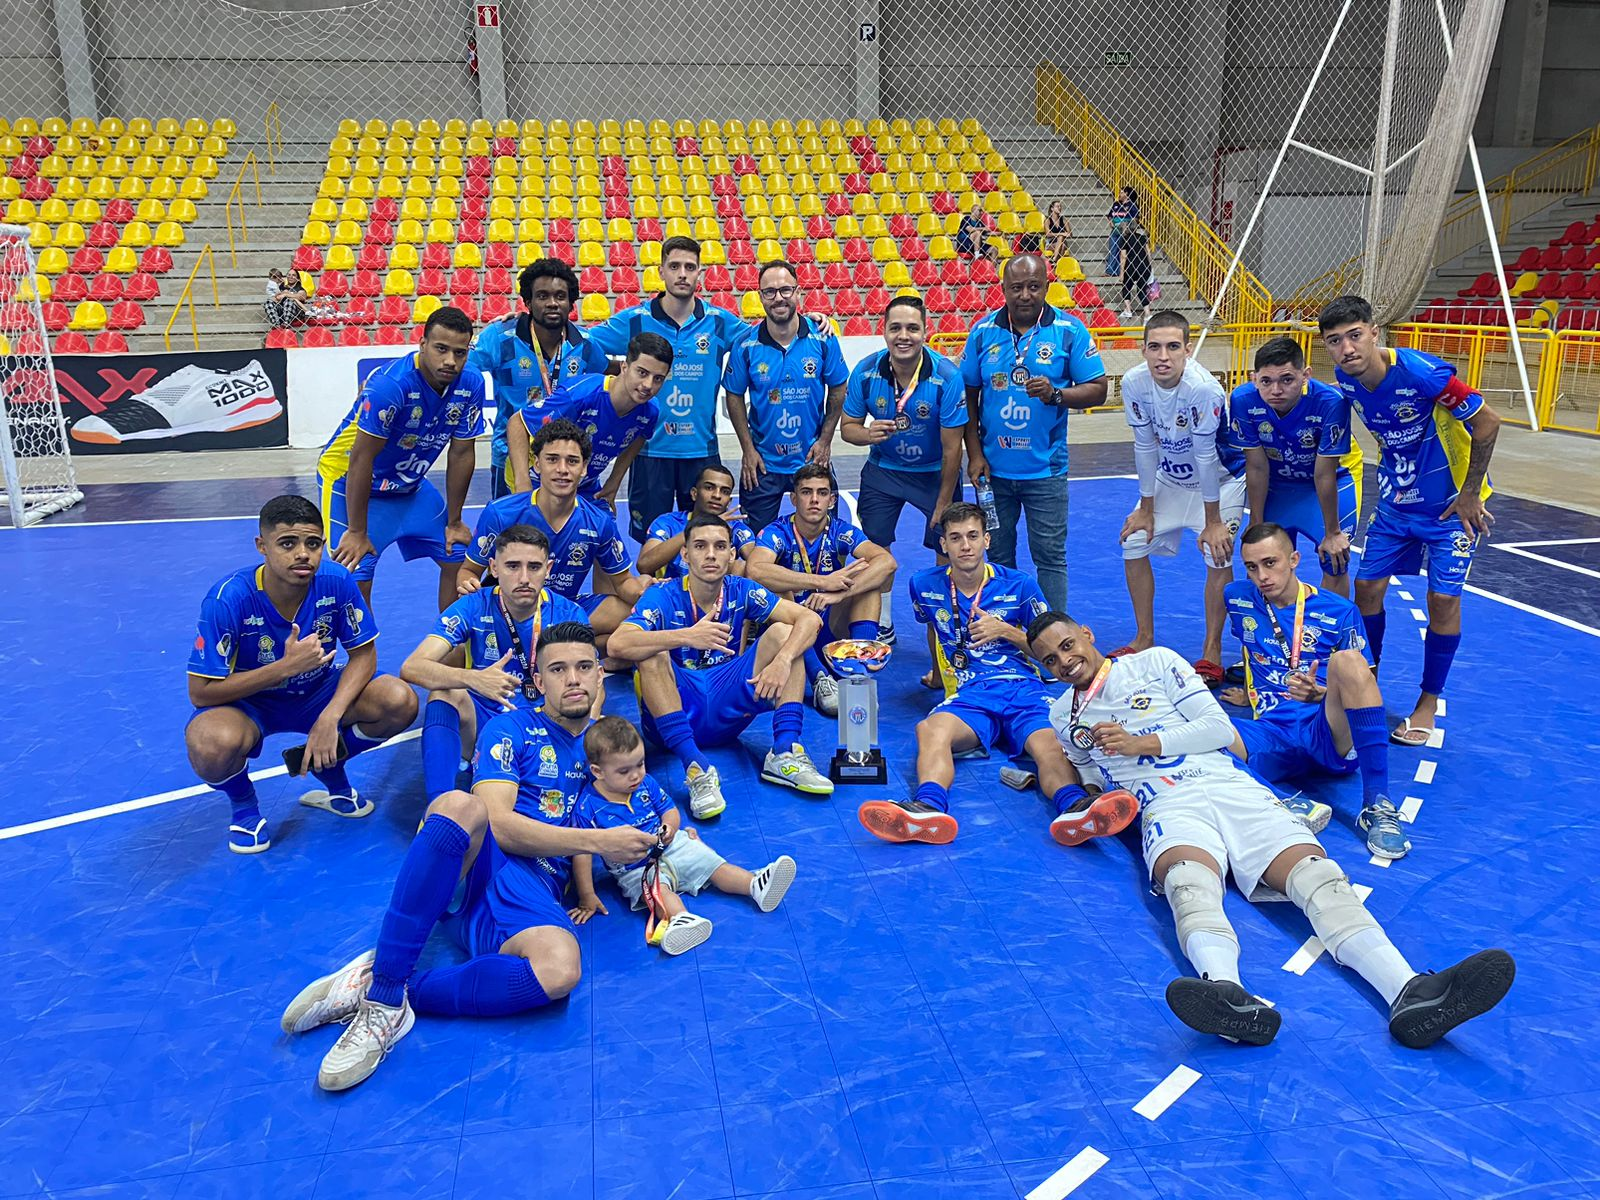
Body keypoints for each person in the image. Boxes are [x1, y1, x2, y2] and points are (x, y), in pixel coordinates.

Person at [1027, 611, 1514, 1049]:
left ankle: (1409, 993)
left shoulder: (1152, 662)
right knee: (1188, 887)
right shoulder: (1062, 716)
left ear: (1087, 635)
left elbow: (1219, 729)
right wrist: (1092, 797)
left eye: (1067, 646)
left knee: (1318, 878)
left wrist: (1141, 741)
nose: (1064, 661)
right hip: (1167, 804)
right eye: (1051, 660)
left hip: (1228, 783)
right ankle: (1227, 996)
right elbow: (1092, 775)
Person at [280, 622, 661, 1092]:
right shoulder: (511, 728)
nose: (574, 679)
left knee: (561, 970)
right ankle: (381, 1003)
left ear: (601, 676)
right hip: (487, 866)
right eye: (558, 670)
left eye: (585, 667)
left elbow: (648, 810)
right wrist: (599, 843)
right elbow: (499, 824)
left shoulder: (609, 746)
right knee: (457, 806)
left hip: (537, 891)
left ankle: (391, 984)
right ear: (538, 681)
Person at [857, 502, 1135, 848]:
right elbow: (933, 628)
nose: (966, 546)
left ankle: (1075, 807)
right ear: (943, 544)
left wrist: (1007, 631)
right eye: (955, 538)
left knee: (1048, 743)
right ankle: (927, 808)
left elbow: (1050, 654)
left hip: (1023, 689)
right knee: (930, 729)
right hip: (972, 693)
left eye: (973, 536)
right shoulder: (922, 585)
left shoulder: (1020, 585)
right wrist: (938, 674)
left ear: (986, 539)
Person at [185, 495, 417, 854]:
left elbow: (364, 654)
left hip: (318, 691)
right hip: (249, 703)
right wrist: (283, 668)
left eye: (313, 543)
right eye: (288, 543)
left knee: (398, 700)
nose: (303, 554)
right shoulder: (227, 599)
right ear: (262, 546)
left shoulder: (336, 580)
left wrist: (330, 717)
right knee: (209, 743)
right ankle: (244, 803)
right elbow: (200, 692)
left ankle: (330, 763)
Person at [1319, 294, 1500, 746]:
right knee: (1366, 589)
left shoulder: (1421, 372)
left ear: (1374, 332)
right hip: (1397, 505)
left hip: (1448, 509)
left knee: (1442, 602)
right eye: (1335, 341)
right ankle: (1367, 682)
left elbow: (1489, 422)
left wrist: (1470, 493)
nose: (1347, 348)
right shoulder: (1346, 379)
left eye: (1355, 335)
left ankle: (1426, 703)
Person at [607, 514, 835, 819]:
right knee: (651, 650)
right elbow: (616, 645)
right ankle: (695, 767)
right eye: (700, 546)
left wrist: (782, 660)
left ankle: (784, 751)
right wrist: (687, 636)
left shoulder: (742, 590)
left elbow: (810, 619)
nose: (711, 554)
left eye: (720, 546)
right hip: (677, 712)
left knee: (784, 634)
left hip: (728, 707)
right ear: (685, 555)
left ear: (731, 554)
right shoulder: (662, 595)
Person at [1224, 523, 1408, 858]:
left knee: (1349, 662)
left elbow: (1363, 686)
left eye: (1270, 563)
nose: (1261, 576)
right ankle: (1283, 802)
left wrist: (1319, 694)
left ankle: (1377, 805)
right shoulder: (1237, 598)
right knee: (1201, 731)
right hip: (1270, 731)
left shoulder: (1340, 611)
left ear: (1293, 559)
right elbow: (1252, 646)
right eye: (1252, 567)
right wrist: (1251, 690)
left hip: (1325, 729)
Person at [566, 717, 798, 955]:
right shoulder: (588, 808)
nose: (636, 775)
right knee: (657, 892)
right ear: (597, 771)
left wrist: (669, 827)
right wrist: (587, 895)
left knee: (712, 864)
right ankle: (681, 920)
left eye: (640, 764)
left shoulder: (646, 783)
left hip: (671, 846)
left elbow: (669, 811)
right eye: (624, 771)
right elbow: (582, 853)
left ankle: (754, 885)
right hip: (634, 868)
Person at [962, 253, 1108, 612]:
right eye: (1016, 288)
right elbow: (967, 395)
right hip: (993, 473)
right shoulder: (982, 333)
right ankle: (1003, 626)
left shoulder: (1069, 331)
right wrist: (976, 454)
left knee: (1050, 557)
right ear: (1004, 290)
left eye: (1033, 287)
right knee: (996, 555)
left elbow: (1098, 388)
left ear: (1046, 287)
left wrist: (1057, 394)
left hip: (1046, 472)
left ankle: (1052, 632)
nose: (1024, 295)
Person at [402, 524, 588, 804]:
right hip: (483, 716)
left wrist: (581, 736)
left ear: (548, 569)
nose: (524, 578)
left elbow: (590, 683)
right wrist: (472, 679)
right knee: (445, 692)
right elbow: (412, 666)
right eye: (512, 566)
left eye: (534, 567)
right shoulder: (473, 605)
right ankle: (438, 805)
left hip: (546, 719)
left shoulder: (569, 614)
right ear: (494, 567)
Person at [317, 306, 484, 611]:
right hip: (350, 481)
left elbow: (462, 452)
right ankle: (360, 655)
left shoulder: (471, 383)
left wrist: (455, 520)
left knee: (459, 557)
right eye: (441, 349)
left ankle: (446, 644)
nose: (450, 361)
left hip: (408, 486)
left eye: (460, 353)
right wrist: (356, 532)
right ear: (422, 345)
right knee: (355, 572)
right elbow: (361, 459)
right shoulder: (391, 386)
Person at [588, 236, 748, 544]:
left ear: (700, 272)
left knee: (704, 538)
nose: (683, 274)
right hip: (649, 451)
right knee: (650, 541)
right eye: (674, 266)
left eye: (690, 267)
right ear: (661, 271)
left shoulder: (718, 322)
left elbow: (765, 337)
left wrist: (810, 319)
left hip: (700, 451)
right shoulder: (635, 320)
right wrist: (523, 322)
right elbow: (582, 344)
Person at [1115, 310, 1246, 684]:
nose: (1163, 356)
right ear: (1142, 350)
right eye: (1154, 347)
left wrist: (1214, 521)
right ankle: (1143, 639)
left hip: (1220, 484)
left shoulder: (1204, 390)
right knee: (1133, 541)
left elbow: (1206, 456)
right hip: (1170, 479)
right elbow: (1144, 446)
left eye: (1173, 347)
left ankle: (1212, 652)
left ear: (1188, 350)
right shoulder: (1134, 383)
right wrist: (1146, 508)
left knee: (1216, 552)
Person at [840, 295, 967, 658]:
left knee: (946, 548)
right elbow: (848, 428)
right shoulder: (866, 372)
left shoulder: (946, 377)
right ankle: (883, 621)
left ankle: (947, 623)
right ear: (884, 332)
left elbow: (952, 451)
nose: (903, 336)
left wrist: (943, 503)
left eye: (912, 328)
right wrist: (868, 434)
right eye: (895, 327)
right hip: (884, 471)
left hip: (933, 474)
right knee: (874, 549)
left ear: (926, 332)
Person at [459, 418, 644, 644]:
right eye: (552, 459)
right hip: (512, 610)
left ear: (584, 468)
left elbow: (624, 582)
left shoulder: (599, 521)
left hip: (565, 609)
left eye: (572, 461)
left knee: (632, 614)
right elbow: (468, 571)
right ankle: (562, 643)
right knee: (454, 650)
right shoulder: (501, 514)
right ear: (537, 464)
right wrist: (468, 584)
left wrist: (648, 593)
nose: (562, 470)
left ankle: (560, 644)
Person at [746, 464, 898, 716]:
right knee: (779, 588)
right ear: (794, 498)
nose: (814, 500)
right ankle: (820, 679)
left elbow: (887, 562)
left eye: (822, 493)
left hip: (827, 622)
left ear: (832, 499)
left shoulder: (841, 531)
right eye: (806, 492)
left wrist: (838, 594)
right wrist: (820, 581)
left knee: (867, 584)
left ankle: (857, 673)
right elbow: (755, 569)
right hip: (789, 629)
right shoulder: (778, 531)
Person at [1229, 336, 1363, 597]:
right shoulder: (1243, 401)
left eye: (1287, 379)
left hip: (1333, 479)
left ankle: (1327, 633)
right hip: (1278, 484)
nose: (1276, 390)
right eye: (1266, 381)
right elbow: (1256, 466)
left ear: (1306, 375)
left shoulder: (1330, 402)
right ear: (1253, 378)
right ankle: (1267, 632)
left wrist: (1333, 532)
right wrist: (1256, 521)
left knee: (1334, 558)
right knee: (1261, 555)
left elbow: (1324, 473)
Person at [723, 260, 850, 531]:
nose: (778, 297)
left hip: (811, 458)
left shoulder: (823, 338)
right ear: (760, 297)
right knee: (754, 542)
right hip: (762, 462)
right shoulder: (745, 344)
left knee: (825, 537)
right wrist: (747, 448)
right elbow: (733, 394)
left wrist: (826, 440)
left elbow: (839, 387)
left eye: (785, 290)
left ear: (798, 292)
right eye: (769, 292)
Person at [468, 259, 608, 499]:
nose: (552, 303)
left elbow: (610, 376)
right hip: (512, 458)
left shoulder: (585, 345)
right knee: (514, 533)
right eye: (542, 296)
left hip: (565, 460)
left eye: (560, 296)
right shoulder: (501, 338)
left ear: (571, 303)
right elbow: (462, 368)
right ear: (528, 302)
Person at [504, 331, 672, 506]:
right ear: (624, 367)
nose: (648, 385)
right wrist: (523, 485)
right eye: (642, 373)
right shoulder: (581, 396)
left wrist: (613, 483)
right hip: (536, 478)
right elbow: (517, 422)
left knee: (603, 531)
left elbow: (639, 437)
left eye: (658, 378)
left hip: (584, 483)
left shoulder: (650, 411)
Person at [637, 463, 756, 579]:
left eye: (724, 491)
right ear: (694, 494)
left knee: (741, 567)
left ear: (729, 502)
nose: (717, 495)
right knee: (642, 582)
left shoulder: (736, 528)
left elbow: (756, 568)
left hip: (715, 594)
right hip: (672, 594)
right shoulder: (668, 522)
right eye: (709, 488)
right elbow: (644, 565)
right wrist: (701, 528)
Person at [1117, 217, 1153, 322]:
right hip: (1144, 266)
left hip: (1131, 266)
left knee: (1126, 287)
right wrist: (1149, 266)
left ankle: (1128, 310)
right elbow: (1148, 254)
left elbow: (1123, 256)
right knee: (1142, 289)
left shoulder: (1125, 238)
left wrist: (1121, 272)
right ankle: (1147, 314)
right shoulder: (1142, 238)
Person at [1105, 186, 1138, 277]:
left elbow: (1135, 220)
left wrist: (1128, 228)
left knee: (1123, 252)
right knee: (1113, 249)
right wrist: (1110, 222)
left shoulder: (1132, 206)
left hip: (1125, 232)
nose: (1119, 194)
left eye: (1122, 192)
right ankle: (1111, 271)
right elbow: (1109, 216)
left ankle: (1122, 271)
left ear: (1127, 194)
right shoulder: (1116, 204)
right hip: (1115, 230)